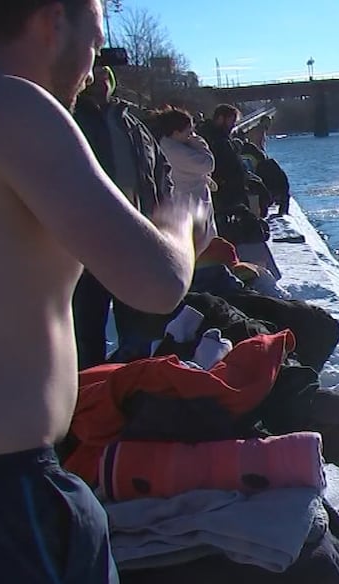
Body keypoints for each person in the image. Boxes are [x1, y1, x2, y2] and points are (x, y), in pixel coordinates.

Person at [0, 1, 208, 584]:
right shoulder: (14, 107)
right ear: (49, 21)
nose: (92, 70)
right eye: (94, 43)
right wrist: (183, 221)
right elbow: (155, 282)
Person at [72, 64, 177, 366]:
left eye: (107, 77)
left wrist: (162, 213)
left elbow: (161, 170)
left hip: (137, 241)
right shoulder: (69, 120)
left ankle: (131, 391)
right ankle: (91, 395)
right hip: (89, 247)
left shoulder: (133, 125)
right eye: (95, 77)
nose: (102, 83)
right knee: (87, 329)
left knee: (138, 328)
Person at [154, 107, 217, 237]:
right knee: (201, 241)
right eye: (188, 132)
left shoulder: (173, 146)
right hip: (190, 204)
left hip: (188, 202)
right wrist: (200, 142)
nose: (190, 135)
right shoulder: (175, 151)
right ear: (176, 132)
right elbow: (208, 163)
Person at [198, 103, 248, 212]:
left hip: (228, 194)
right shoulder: (214, 139)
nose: (233, 125)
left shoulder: (221, 138)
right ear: (221, 118)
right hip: (222, 197)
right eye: (232, 121)